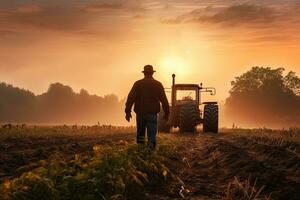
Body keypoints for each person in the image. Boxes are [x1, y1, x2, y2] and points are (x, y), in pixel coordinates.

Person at [125, 65, 169, 148]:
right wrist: (167, 113)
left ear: (144, 73)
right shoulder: (158, 84)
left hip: (140, 114)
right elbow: (164, 100)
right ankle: (151, 153)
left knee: (140, 135)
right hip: (152, 114)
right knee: (152, 136)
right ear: (152, 73)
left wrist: (128, 111)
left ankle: (141, 153)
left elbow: (131, 97)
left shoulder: (138, 84)